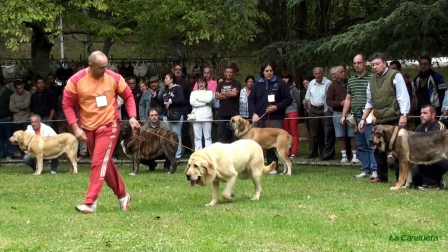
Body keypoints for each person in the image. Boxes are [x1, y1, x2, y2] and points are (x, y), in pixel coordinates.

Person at [62, 51, 139, 213]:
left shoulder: (114, 78)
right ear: (90, 66)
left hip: (109, 126)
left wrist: (132, 116)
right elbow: (67, 105)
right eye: (101, 68)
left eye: (106, 66)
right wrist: (75, 127)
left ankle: (91, 202)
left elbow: (128, 96)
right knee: (105, 164)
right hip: (88, 128)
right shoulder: (75, 81)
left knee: (98, 162)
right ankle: (123, 196)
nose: (105, 70)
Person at [358, 52, 410, 184]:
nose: (375, 67)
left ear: (384, 64)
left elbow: (402, 96)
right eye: (373, 65)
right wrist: (363, 119)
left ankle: (401, 178)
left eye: (378, 64)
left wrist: (404, 115)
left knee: (399, 149)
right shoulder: (371, 79)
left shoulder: (395, 75)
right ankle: (381, 176)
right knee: (378, 148)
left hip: (394, 117)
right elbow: (370, 101)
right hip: (380, 118)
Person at [248, 62, 292, 174]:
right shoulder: (257, 84)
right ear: (263, 72)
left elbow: (288, 99)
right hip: (260, 118)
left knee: (273, 143)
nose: (269, 73)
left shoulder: (280, 83)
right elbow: (251, 100)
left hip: (275, 117)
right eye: (266, 71)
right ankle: (261, 165)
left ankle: (274, 166)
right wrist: (253, 113)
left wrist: (277, 107)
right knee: (260, 144)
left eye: (271, 71)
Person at [341, 54, 377, 179]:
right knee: (360, 144)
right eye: (355, 63)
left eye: (359, 62)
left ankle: (374, 169)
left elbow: (375, 98)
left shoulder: (372, 78)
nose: (356, 65)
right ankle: (365, 169)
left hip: (368, 116)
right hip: (355, 116)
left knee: (370, 143)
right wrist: (343, 115)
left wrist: (374, 114)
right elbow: (348, 98)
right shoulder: (351, 80)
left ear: (365, 63)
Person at [326, 66, 358, 163]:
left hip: (351, 113)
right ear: (336, 74)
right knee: (340, 135)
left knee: (352, 134)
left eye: (344, 72)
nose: (343, 73)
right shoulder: (332, 85)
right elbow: (329, 101)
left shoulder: (350, 83)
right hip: (338, 113)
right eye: (341, 72)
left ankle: (355, 156)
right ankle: (344, 156)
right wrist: (340, 103)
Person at [412, 104, 448, 190]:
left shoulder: (439, 126)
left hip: (442, 159)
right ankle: (437, 181)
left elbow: (435, 147)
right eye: (421, 113)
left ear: (433, 115)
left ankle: (432, 184)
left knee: (425, 154)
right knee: (415, 179)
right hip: (425, 160)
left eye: (425, 113)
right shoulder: (419, 128)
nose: (421, 115)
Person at [304, 67, 332, 159]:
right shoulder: (311, 83)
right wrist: (310, 109)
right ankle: (312, 153)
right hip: (313, 110)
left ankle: (326, 154)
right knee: (313, 133)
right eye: (315, 74)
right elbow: (308, 97)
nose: (317, 76)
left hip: (324, 109)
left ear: (322, 74)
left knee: (326, 132)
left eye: (319, 74)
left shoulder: (328, 83)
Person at [157, 72, 184, 160]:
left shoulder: (177, 88)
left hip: (175, 115)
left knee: (176, 135)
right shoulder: (165, 89)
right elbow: (160, 100)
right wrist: (161, 90)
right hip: (166, 115)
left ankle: (177, 155)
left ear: (171, 79)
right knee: (167, 135)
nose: (164, 80)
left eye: (166, 78)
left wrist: (171, 101)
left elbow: (181, 100)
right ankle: (169, 154)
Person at [140, 108, 172, 172]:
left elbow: (169, 138)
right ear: (149, 117)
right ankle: (152, 165)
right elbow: (140, 139)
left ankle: (166, 167)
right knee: (139, 155)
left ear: (158, 116)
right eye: (152, 115)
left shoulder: (164, 125)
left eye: (155, 115)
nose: (154, 117)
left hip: (161, 149)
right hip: (150, 151)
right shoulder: (144, 127)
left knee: (169, 148)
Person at [215, 65, 241, 143]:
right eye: (227, 72)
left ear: (233, 73)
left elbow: (234, 94)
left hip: (233, 114)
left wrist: (222, 93)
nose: (229, 74)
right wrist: (229, 93)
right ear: (224, 73)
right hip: (222, 114)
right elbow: (216, 96)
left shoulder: (237, 83)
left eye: (231, 72)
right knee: (221, 135)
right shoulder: (220, 84)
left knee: (235, 136)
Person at [189, 76, 214, 150]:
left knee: (208, 137)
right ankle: (198, 153)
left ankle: (208, 153)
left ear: (205, 83)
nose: (201, 84)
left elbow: (209, 99)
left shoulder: (209, 92)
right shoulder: (193, 93)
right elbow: (192, 102)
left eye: (202, 82)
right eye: (199, 82)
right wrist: (203, 103)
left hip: (207, 116)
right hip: (196, 117)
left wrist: (198, 99)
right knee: (197, 137)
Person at [281, 71, 301, 158]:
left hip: (293, 111)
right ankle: (287, 151)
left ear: (289, 78)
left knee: (294, 132)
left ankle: (294, 151)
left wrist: (295, 109)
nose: (284, 80)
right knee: (286, 133)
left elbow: (298, 101)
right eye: (283, 78)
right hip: (283, 112)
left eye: (286, 78)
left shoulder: (294, 89)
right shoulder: (281, 88)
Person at [0, 76, 14, 160]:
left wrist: (10, 116)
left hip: (6, 118)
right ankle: (1, 154)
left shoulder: (9, 92)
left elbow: (12, 105)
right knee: (0, 138)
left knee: (8, 137)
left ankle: (9, 154)